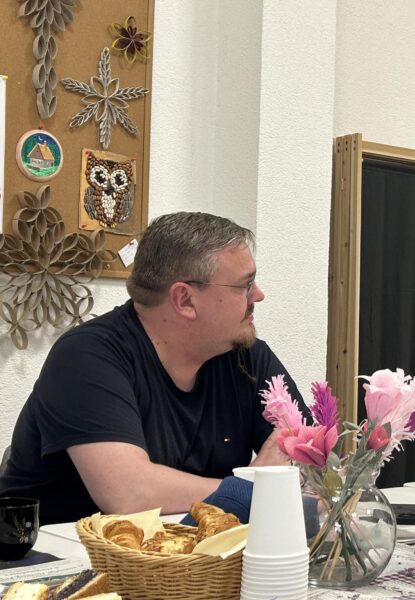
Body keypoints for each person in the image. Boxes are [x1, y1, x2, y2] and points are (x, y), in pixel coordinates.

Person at [0, 212, 308, 525]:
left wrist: (271, 485)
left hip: (190, 550)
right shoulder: (86, 356)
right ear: (185, 300)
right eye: (245, 285)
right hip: (54, 552)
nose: (258, 295)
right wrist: (254, 488)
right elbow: (129, 494)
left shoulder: (246, 356)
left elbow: (312, 463)